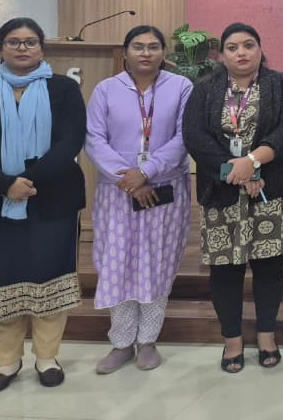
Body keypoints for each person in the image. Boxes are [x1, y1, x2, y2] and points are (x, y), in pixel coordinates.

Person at [0, 17, 86, 393]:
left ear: (42, 48)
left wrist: (28, 181)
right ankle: (7, 362)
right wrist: (5, 185)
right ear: (1, 48)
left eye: (30, 41)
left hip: (52, 199)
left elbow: (71, 140)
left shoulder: (64, 89)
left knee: (49, 277)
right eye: (13, 42)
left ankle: (47, 358)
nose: (22, 48)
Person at [182, 22, 283, 373]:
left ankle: (267, 336)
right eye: (232, 47)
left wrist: (253, 162)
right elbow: (194, 137)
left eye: (249, 45)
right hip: (222, 193)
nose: (241, 52)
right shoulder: (205, 89)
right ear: (222, 55)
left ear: (260, 49)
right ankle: (232, 340)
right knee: (225, 271)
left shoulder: (281, 85)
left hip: (271, 191)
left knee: (269, 268)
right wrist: (236, 172)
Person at [85, 25, 194, 374]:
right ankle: (120, 343)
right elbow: (94, 139)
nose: (145, 53)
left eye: (153, 46)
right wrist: (129, 178)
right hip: (117, 191)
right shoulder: (106, 89)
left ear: (164, 52)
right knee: (117, 263)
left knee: (157, 262)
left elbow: (184, 137)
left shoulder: (181, 87)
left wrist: (146, 171)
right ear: (125, 52)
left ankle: (147, 341)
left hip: (164, 190)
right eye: (138, 46)